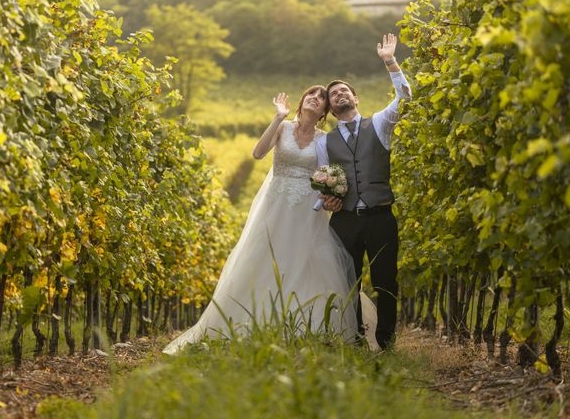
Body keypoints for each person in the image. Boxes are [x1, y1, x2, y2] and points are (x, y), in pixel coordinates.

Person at [163, 85, 377, 355]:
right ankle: (254, 323)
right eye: (311, 94)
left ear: (325, 111)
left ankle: (309, 326)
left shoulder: (324, 139)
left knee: (306, 260)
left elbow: (328, 173)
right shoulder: (283, 127)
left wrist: (333, 194)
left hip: (307, 210)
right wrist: (277, 116)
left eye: (321, 98)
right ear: (302, 102)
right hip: (276, 204)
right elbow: (257, 153)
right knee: (266, 257)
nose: (315, 98)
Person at [317, 33, 412, 351]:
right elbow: (319, 179)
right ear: (330, 108)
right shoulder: (323, 142)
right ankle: (355, 338)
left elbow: (406, 97)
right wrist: (324, 198)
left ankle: (386, 341)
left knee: (386, 282)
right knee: (348, 283)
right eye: (333, 95)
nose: (340, 94)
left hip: (381, 216)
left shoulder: (381, 124)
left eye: (344, 90)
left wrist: (390, 61)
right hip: (343, 221)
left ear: (355, 98)